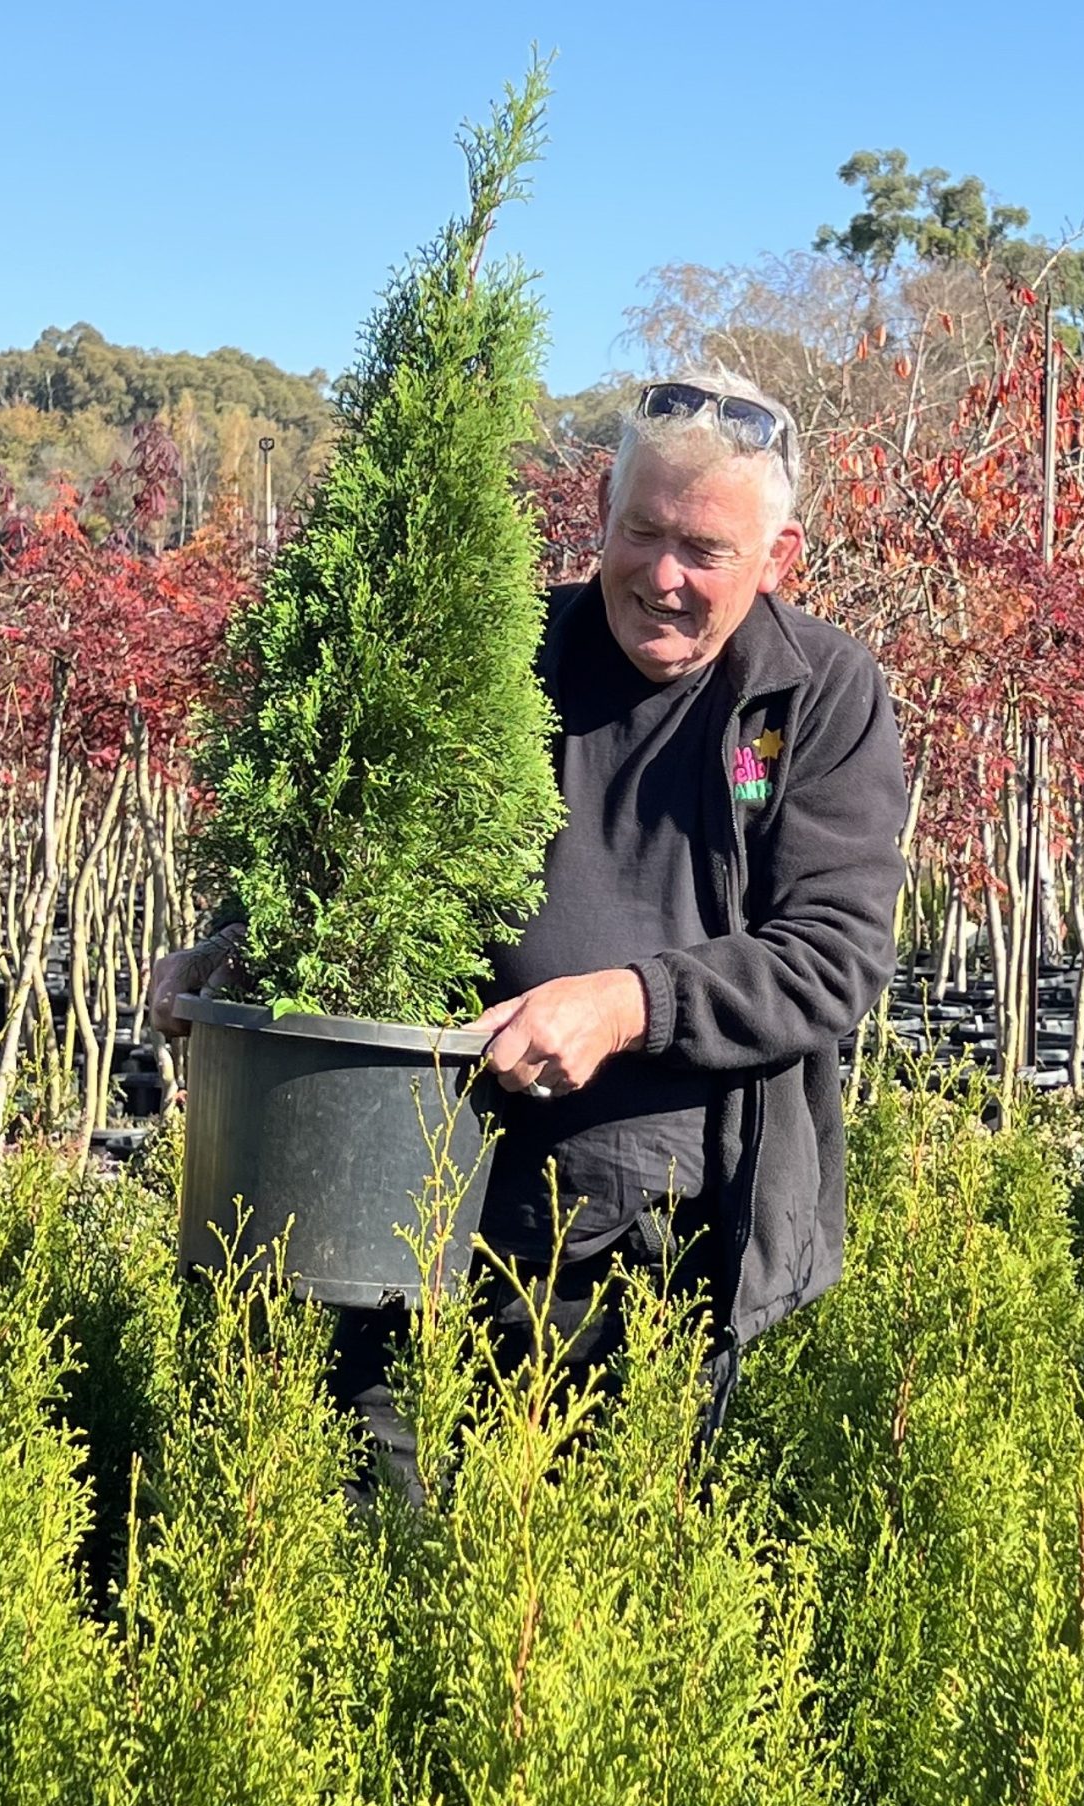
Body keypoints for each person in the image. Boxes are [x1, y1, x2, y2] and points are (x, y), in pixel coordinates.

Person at [150, 367, 908, 1437]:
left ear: (778, 561)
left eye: (706, 552)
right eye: (641, 531)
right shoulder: (508, 655)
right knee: (376, 1529)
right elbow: (366, 855)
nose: (663, 574)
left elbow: (830, 956)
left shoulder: (817, 695)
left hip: (655, 1246)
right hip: (414, 1191)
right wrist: (239, 947)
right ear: (602, 510)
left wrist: (628, 1003)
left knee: (582, 1570)